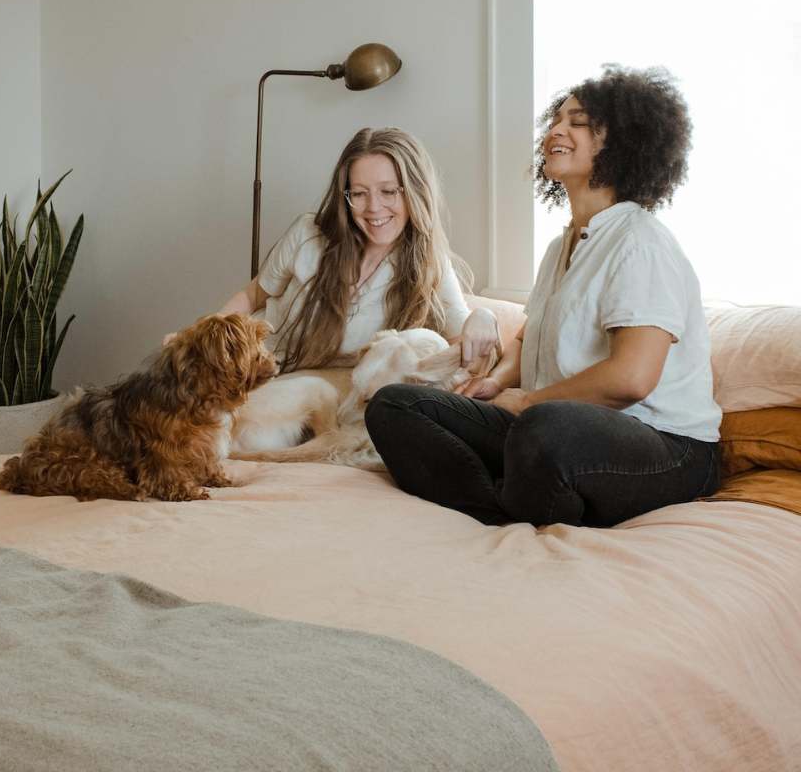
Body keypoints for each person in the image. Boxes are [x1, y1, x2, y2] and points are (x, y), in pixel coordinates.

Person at [365, 66, 722, 528]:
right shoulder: (562, 247)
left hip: (666, 448)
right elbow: (529, 334)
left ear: (622, 141)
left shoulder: (640, 242)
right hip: (551, 429)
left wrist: (530, 403)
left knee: (544, 428)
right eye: (556, 119)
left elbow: (632, 377)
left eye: (577, 121)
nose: (556, 129)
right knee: (395, 406)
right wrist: (494, 384)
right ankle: (504, 507)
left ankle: (521, 492)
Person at [219, 127, 499, 372]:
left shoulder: (428, 264)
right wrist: (199, 336)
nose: (373, 207)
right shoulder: (308, 234)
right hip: (254, 371)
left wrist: (484, 318)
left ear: (415, 191)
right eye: (359, 193)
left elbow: (464, 344)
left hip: (323, 395)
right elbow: (253, 295)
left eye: (389, 191)